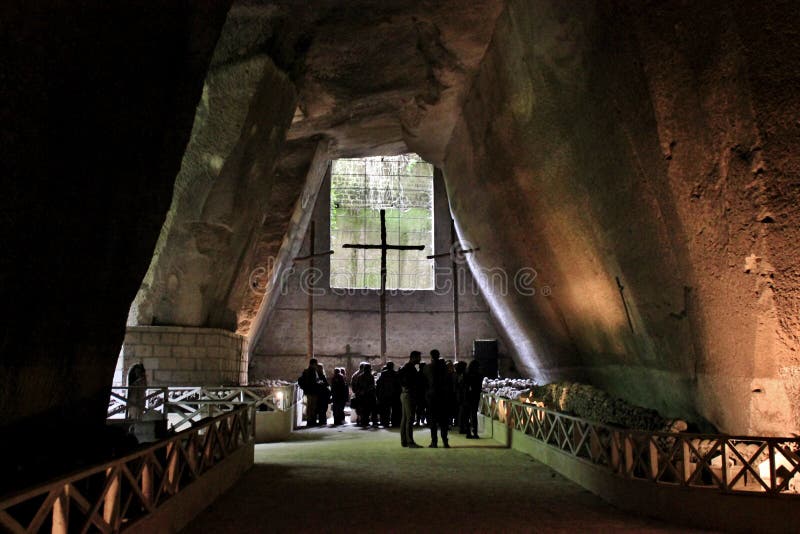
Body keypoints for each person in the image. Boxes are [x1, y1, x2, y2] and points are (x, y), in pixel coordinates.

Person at [423, 349, 452, 448]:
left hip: (432, 397)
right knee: (444, 421)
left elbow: (424, 384)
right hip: (443, 397)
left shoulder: (427, 368)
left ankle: (434, 442)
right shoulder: (445, 368)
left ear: (431, 356)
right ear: (439, 355)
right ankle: (445, 441)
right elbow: (449, 382)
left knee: (433, 421)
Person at [398, 351, 422, 448]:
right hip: (409, 394)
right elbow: (410, 381)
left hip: (404, 394)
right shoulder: (410, 368)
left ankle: (404, 440)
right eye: (418, 357)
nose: (420, 359)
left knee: (405, 418)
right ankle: (410, 441)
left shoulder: (405, 367)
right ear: (413, 358)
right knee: (410, 418)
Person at [376, 362, 399, 427]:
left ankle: (385, 422)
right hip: (394, 394)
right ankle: (394, 422)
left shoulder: (383, 373)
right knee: (394, 409)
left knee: (386, 409)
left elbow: (379, 383)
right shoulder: (395, 373)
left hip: (385, 394)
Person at [465, 359, 484, 439]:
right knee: (473, 415)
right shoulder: (478, 375)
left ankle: (468, 433)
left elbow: (465, 385)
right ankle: (475, 432)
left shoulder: (467, 374)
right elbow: (479, 386)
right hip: (475, 396)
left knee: (467, 415)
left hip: (467, 396)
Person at [298, 358, 320, 427]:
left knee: (310, 407)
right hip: (312, 391)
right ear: (313, 364)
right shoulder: (312, 371)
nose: (316, 365)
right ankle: (311, 421)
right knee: (312, 407)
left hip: (308, 391)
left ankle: (310, 421)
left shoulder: (306, 371)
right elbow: (314, 381)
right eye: (316, 364)